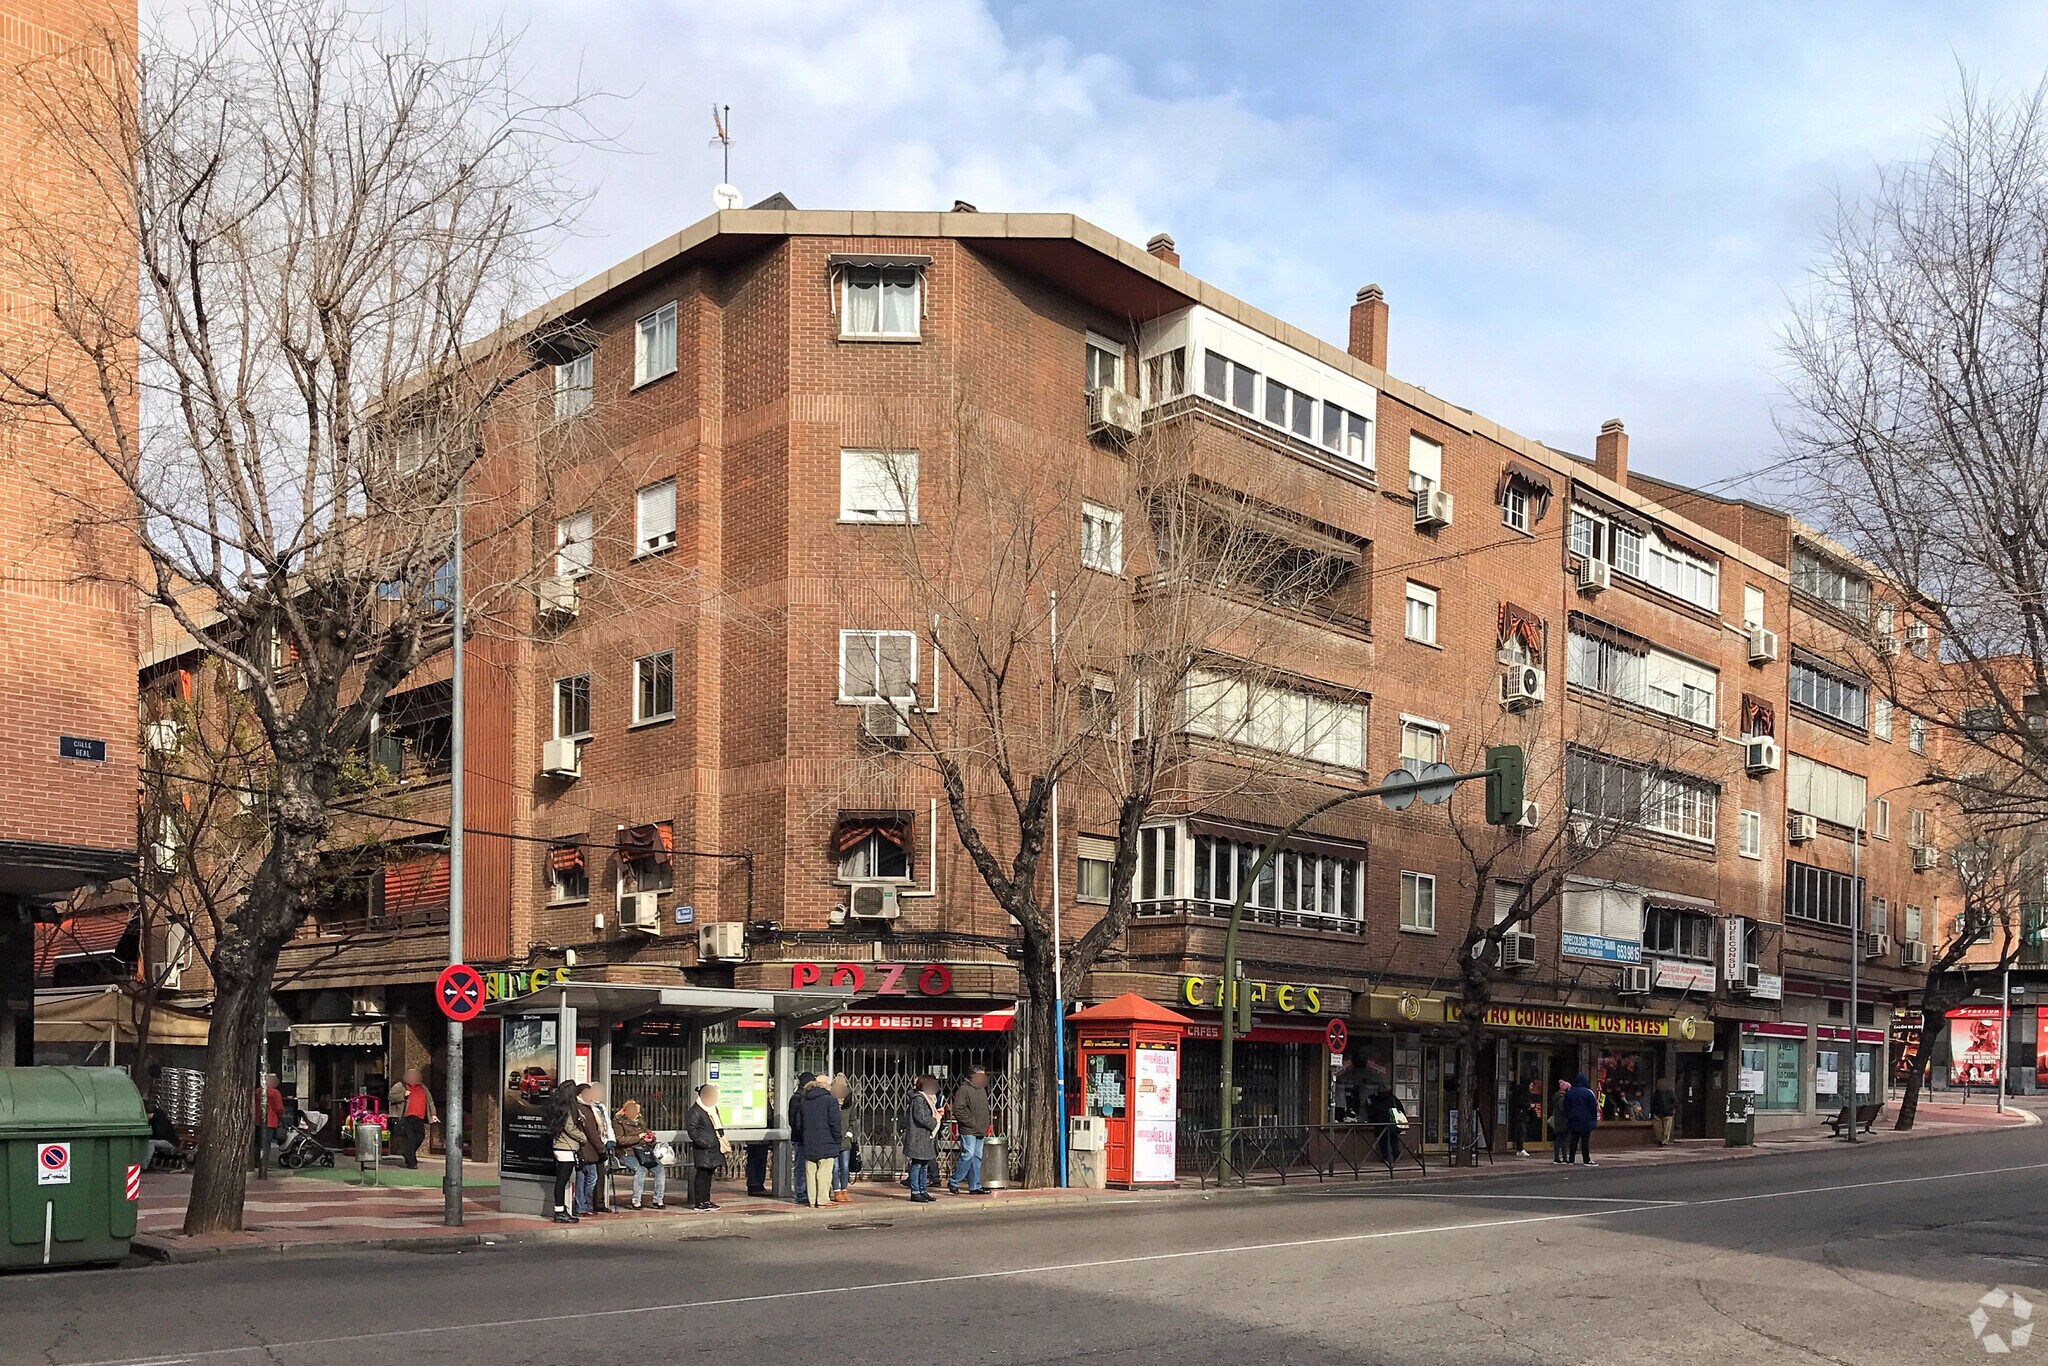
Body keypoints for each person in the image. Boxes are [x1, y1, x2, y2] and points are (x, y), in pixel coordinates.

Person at [795, 1072, 843, 1208]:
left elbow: (799, 1123)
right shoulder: (830, 1100)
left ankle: (811, 1200)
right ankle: (822, 1200)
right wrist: (837, 1138)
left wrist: (806, 1136)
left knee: (810, 1172)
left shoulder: (804, 1100)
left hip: (809, 1142)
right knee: (824, 1172)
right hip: (827, 1142)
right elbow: (835, 1122)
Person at [544, 1082, 588, 1224]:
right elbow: (570, 1128)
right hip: (566, 1148)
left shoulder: (558, 1107)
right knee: (562, 1181)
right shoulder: (568, 1110)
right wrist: (583, 1137)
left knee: (561, 1181)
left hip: (560, 1147)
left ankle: (560, 1209)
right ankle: (560, 1211)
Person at [948, 1067, 993, 1196]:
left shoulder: (982, 1090)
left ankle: (975, 1186)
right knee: (968, 1154)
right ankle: (954, 1180)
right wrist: (970, 1122)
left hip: (980, 1129)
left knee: (976, 1157)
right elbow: (958, 1109)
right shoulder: (964, 1090)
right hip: (969, 1129)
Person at [613, 1099, 665, 1209]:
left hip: (643, 1152)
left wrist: (650, 1138)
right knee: (641, 1170)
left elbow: (648, 1135)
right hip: (627, 1152)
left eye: (638, 1111)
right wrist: (638, 1137)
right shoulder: (618, 1122)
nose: (637, 1113)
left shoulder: (640, 1121)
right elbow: (620, 1140)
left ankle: (658, 1199)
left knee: (659, 1169)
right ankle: (636, 1200)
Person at [685, 1082, 727, 1211]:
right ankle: (700, 1202)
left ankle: (706, 1200)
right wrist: (705, 1142)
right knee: (702, 1174)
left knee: (709, 1175)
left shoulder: (712, 1110)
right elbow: (692, 1130)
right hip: (703, 1148)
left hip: (714, 1146)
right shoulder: (695, 1111)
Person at [901, 1074, 941, 1203]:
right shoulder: (919, 1099)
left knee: (924, 1165)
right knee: (917, 1164)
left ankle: (923, 1190)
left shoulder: (929, 1099)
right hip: (918, 1137)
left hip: (926, 1137)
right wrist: (935, 1121)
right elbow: (921, 1117)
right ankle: (916, 1191)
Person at [389, 1067, 435, 1170]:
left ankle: (408, 1154)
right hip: (406, 1117)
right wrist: (403, 1095)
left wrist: (433, 1114)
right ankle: (412, 1162)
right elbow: (390, 1097)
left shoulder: (422, 1087)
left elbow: (429, 1101)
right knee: (409, 1139)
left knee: (420, 1137)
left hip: (419, 1117)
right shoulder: (400, 1086)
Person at [572, 1083, 608, 1215]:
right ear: (580, 1095)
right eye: (587, 1093)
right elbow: (591, 1132)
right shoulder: (583, 1109)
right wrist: (601, 1149)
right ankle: (584, 1205)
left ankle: (581, 1206)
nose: (590, 1096)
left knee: (582, 1177)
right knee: (591, 1177)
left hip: (586, 1149)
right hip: (587, 1150)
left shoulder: (590, 1108)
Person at [586, 1082, 617, 1213]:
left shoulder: (602, 1107)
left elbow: (608, 1125)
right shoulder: (589, 1107)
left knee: (601, 1174)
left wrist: (611, 1140)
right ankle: (588, 1203)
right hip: (593, 1145)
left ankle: (599, 1202)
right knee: (592, 1176)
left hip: (603, 1143)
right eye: (597, 1092)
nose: (601, 1095)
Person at [787, 1071, 816, 1206]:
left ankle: (806, 1192)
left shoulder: (806, 1098)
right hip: (800, 1138)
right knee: (800, 1167)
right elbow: (793, 1121)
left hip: (807, 1138)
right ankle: (800, 1193)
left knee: (808, 1167)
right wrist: (803, 1133)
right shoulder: (797, 1098)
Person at [1563, 1071, 1600, 1166]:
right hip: (1586, 1121)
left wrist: (1569, 1117)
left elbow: (1565, 1106)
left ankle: (1571, 1159)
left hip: (1573, 1120)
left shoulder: (1570, 1092)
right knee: (1585, 1141)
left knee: (1573, 1140)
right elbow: (1593, 1108)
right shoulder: (1588, 1093)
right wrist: (1594, 1120)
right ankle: (1586, 1159)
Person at [830, 1074, 856, 1204]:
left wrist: (850, 1132)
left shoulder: (850, 1103)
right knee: (834, 1167)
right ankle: (836, 1190)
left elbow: (853, 1120)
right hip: (833, 1139)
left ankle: (844, 1189)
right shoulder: (829, 1101)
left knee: (845, 1166)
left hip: (845, 1140)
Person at [1650, 1079, 1678, 1147]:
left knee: (1666, 1128)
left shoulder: (1669, 1092)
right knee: (1658, 1128)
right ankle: (1661, 1139)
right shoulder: (1657, 1093)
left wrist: (1670, 1109)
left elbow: (1674, 1102)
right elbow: (1653, 1102)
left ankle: (1664, 1140)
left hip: (1667, 1113)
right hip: (1658, 1112)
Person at [1548, 1079, 1570, 1164]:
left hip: (1558, 1121)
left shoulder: (1557, 1097)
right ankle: (1563, 1158)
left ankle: (1557, 1157)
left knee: (1558, 1139)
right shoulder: (1562, 1098)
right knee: (1563, 1140)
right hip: (1563, 1121)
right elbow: (1563, 1110)